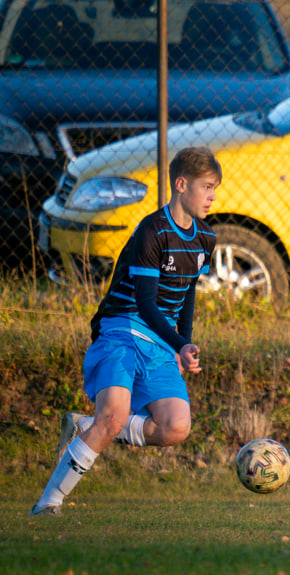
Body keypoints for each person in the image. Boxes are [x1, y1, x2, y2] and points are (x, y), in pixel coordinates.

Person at [30, 146, 221, 516]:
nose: (213, 197)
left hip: (161, 340)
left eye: (215, 188)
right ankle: (48, 504)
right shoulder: (152, 231)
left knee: (175, 427)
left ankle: (84, 426)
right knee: (113, 418)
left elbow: (187, 293)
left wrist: (185, 343)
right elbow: (146, 303)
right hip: (123, 329)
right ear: (181, 185)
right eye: (207, 187)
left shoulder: (206, 238)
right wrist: (178, 343)